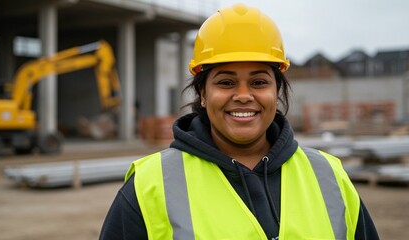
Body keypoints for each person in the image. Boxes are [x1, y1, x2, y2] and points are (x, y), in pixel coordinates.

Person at [100, 3, 379, 239]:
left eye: (258, 81)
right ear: (203, 94)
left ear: (276, 92)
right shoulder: (150, 185)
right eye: (226, 82)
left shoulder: (330, 177)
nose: (244, 96)